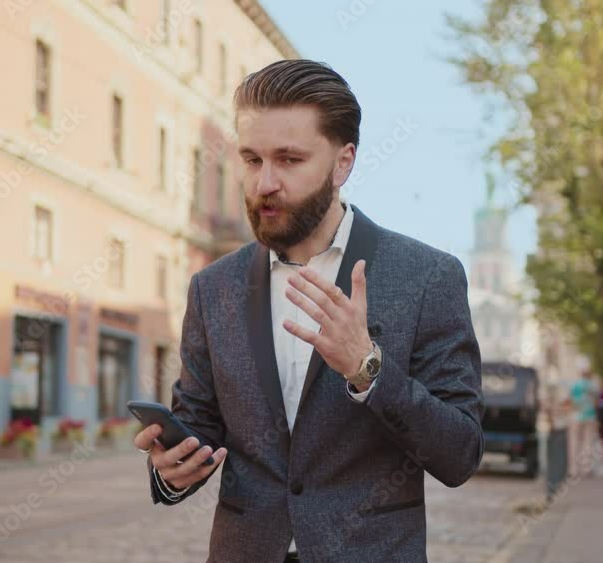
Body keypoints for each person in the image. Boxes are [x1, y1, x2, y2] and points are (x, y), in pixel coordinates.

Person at [133, 59, 483, 562]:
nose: (263, 184)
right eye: (252, 160)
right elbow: (199, 427)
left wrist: (369, 368)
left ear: (343, 163)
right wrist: (172, 468)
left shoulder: (427, 277)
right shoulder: (213, 288)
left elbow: (460, 454)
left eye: (289, 160)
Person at [566, 368, 600, 477]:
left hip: (576, 416)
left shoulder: (575, 385)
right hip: (590, 416)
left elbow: (570, 400)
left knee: (574, 442)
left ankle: (573, 470)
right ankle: (587, 468)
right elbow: (597, 402)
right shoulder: (594, 386)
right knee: (588, 443)